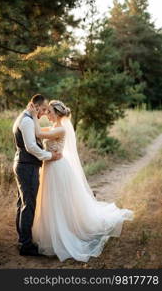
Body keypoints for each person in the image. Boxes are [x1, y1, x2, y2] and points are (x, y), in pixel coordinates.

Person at [28, 100, 134, 262]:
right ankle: (51, 234)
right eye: (47, 111)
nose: (47, 114)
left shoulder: (61, 129)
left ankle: (64, 232)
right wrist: (34, 120)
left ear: (56, 114)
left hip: (57, 168)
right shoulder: (53, 127)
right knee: (50, 201)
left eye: (49, 112)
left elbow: (40, 134)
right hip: (49, 168)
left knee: (59, 201)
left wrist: (34, 115)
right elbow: (37, 132)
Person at [12, 94, 61, 256]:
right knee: (29, 205)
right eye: (43, 110)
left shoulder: (26, 117)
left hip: (24, 164)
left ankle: (22, 240)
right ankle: (26, 245)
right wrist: (49, 156)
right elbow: (31, 147)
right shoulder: (26, 120)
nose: (43, 114)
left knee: (23, 203)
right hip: (27, 167)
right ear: (36, 106)